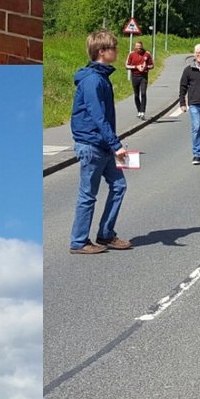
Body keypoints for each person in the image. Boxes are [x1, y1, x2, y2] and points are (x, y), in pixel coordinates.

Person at [70, 29, 131, 255]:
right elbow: (98, 116)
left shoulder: (101, 78)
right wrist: (116, 145)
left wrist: (113, 143)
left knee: (119, 185)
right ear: (102, 52)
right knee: (88, 194)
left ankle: (106, 234)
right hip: (92, 145)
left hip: (102, 144)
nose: (117, 51)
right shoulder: (92, 81)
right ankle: (78, 242)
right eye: (114, 48)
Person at [126, 40, 153, 118]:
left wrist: (145, 67)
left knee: (143, 93)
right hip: (134, 76)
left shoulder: (147, 54)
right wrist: (136, 67)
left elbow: (151, 65)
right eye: (137, 47)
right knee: (136, 95)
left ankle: (143, 111)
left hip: (143, 76)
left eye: (140, 48)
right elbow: (127, 66)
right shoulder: (131, 54)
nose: (139, 49)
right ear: (135, 47)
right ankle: (139, 110)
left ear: (142, 47)